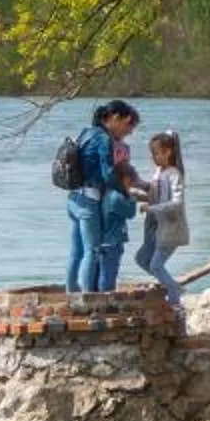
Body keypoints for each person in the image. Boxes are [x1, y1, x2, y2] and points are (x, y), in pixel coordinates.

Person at [63, 101, 140, 293]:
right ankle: (88, 297)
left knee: (76, 252)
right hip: (89, 200)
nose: (129, 132)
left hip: (73, 198)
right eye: (128, 124)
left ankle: (71, 290)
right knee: (93, 251)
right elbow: (107, 174)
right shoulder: (103, 139)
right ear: (115, 117)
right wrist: (125, 192)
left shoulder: (85, 133)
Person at [133, 130, 189, 309]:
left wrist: (152, 208)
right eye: (152, 154)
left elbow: (177, 203)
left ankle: (174, 296)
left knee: (156, 265)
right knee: (142, 259)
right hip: (155, 226)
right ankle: (172, 285)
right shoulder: (159, 172)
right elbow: (154, 193)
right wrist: (136, 187)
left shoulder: (175, 174)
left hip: (170, 227)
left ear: (168, 152)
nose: (154, 157)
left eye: (157, 153)